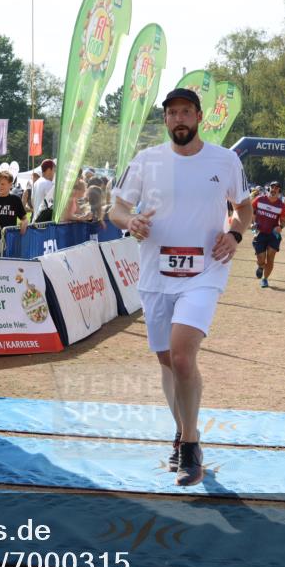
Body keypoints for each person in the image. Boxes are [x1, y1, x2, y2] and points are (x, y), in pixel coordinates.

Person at [108, 87, 251, 487]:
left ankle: (190, 446)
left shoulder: (225, 160)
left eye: (186, 112)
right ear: (166, 119)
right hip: (155, 275)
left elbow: (243, 208)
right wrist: (130, 222)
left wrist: (234, 235)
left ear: (199, 117)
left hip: (205, 272)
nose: (179, 119)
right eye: (172, 113)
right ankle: (183, 429)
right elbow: (116, 208)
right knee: (167, 361)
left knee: (183, 357)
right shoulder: (146, 161)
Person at [252, 181, 285, 288]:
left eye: (276, 188)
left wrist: (280, 227)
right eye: (272, 187)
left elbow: (283, 221)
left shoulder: (281, 205)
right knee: (261, 259)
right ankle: (260, 266)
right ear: (269, 188)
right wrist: (253, 223)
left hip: (273, 234)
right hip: (260, 233)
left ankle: (265, 279)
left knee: (270, 259)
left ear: (279, 191)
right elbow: (251, 211)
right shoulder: (259, 199)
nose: (274, 189)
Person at [31, 159, 56, 223]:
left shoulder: (35, 183)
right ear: (49, 170)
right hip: (44, 222)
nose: (54, 173)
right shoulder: (49, 184)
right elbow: (52, 205)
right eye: (54, 170)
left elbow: (32, 202)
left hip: (35, 220)